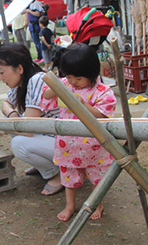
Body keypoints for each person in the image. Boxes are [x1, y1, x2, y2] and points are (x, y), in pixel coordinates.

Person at [41, 43, 116, 221]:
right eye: (69, 76)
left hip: (94, 146)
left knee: (97, 178)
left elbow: (104, 114)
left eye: (78, 78)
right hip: (68, 145)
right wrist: (56, 85)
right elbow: (46, 96)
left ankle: (97, 203)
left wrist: (83, 104)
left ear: (92, 74)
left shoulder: (102, 91)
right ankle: (70, 206)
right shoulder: (65, 84)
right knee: (69, 178)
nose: (73, 81)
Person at [0, 43, 61, 195]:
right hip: (47, 136)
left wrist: (4, 123)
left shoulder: (36, 80)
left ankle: (57, 174)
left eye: (2, 72)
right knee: (13, 124)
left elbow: (29, 130)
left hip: (62, 139)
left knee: (19, 144)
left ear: (19, 68)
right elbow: (6, 104)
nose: (0, 78)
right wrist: (12, 115)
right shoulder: (21, 82)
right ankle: (45, 166)